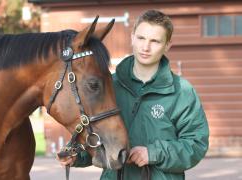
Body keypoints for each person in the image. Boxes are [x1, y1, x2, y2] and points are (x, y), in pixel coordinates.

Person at [59, 9, 209, 180]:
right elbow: (98, 136)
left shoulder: (182, 91)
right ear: (132, 37)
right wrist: (78, 155)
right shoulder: (110, 86)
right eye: (141, 38)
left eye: (155, 41)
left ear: (167, 45)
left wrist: (152, 153)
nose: (145, 47)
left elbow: (196, 145)